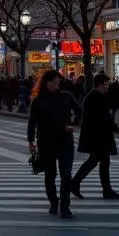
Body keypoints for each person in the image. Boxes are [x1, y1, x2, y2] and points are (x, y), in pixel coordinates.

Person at [27, 69, 80, 220]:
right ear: (45, 83)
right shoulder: (38, 100)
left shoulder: (66, 96)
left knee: (66, 174)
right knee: (50, 175)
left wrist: (73, 124)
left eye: (58, 82)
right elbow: (33, 122)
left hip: (65, 140)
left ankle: (65, 206)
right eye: (53, 82)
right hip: (45, 141)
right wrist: (30, 140)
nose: (57, 85)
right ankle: (53, 202)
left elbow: (79, 111)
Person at [70, 73, 119, 200]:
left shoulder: (94, 96)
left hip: (97, 134)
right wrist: (114, 126)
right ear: (99, 85)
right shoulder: (97, 97)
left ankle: (105, 189)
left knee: (101, 161)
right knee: (96, 161)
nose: (107, 87)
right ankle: (76, 182)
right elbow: (102, 117)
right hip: (99, 135)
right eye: (105, 84)